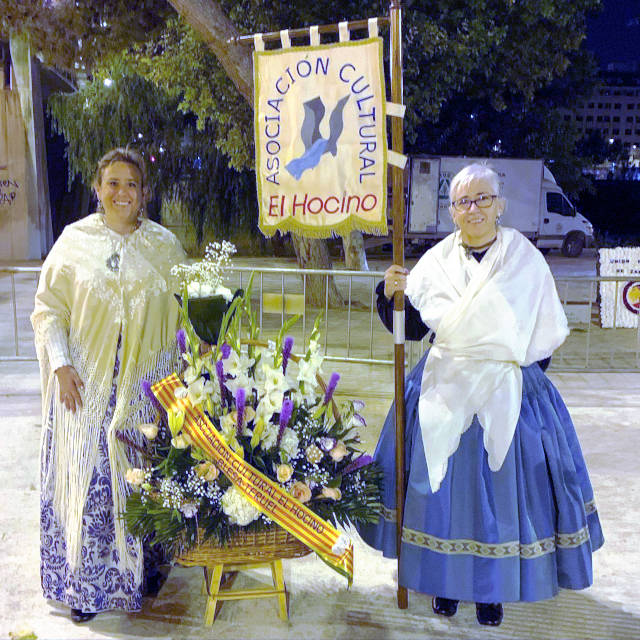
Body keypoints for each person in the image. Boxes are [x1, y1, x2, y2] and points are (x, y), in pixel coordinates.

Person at [357, 163, 603, 626]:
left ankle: (492, 590)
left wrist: (510, 374)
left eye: (483, 199)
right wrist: (386, 294)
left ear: (500, 204)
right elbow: (410, 329)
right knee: (438, 494)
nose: (474, 209)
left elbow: (541, 333)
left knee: (500, 500)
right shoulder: (434, 263)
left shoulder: (525, 260)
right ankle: (443, 583)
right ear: (452, 211)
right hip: (442, 384)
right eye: (464, 202)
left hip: (506, 386)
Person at [31, 147, 186, 623]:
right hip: (85, 390)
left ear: (145, 194)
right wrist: (59, 364)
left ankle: (143, 575)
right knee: (88, 487)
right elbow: (48, 310)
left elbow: (185, 312)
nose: (122, 192)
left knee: (143, 483)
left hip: (146, 393)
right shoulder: (73, 242)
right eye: (112, 183)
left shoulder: (165, 246)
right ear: (98, 189)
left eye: (131, 184)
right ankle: (81, 586)